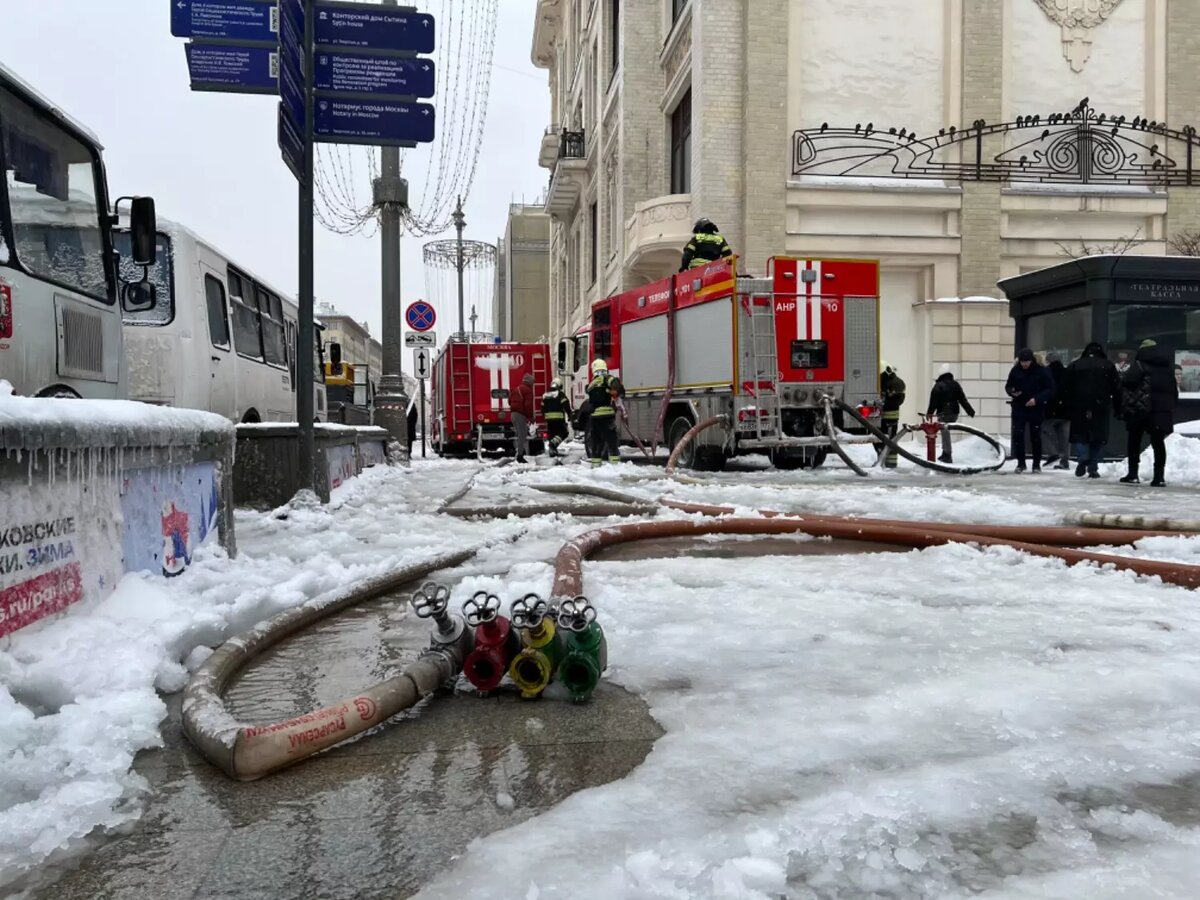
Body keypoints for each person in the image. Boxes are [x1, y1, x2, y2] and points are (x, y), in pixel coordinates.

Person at [1119, 338, 1179, 486]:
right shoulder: (1167, 367)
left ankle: (1133, 474)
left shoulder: (1139, 365)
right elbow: (1173, 391)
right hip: (1161, 411)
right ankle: (1159, 477)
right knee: (1158, 443)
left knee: (1134, 440)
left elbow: (1128, 383)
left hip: (1141, 409)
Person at [1064, 342, 1120, 479]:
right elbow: (1117, 388)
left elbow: (1065, 388)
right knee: (1097, 437)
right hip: (1101, 406)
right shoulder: (1108, 366)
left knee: (1080, 435)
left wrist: (1067, 404)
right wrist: (1117, 405)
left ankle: (1083, 456)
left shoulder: (1075, 365)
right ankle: (1093, 466)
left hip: (1079, 406)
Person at [1005, 348, 1055, 473]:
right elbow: (1008, 385)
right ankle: (1021, 463)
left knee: (1035, 436)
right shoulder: (1015, 370)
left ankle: (1036, 464)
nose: (1024, 364)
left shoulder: (1041, 371)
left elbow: (1050, 389)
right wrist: (1012, 392)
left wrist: (1037, 399)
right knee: (1018, 435)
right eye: (1022, 362)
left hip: (1036, 408)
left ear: (1031, 360)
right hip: (1019, 406)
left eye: (1027, 361)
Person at [926, 369, 975, 463]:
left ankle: (947, 454)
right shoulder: (955, 384)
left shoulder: (938, 386)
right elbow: (962, 399)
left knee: (945, 432)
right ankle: (946, 453)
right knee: (945, 430)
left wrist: (930, 413)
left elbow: (933, 402)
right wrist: (970, 411)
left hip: (943, 413)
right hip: (954, 413)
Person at [586, 358, 625, 465]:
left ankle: (596, 467)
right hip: (606, 417)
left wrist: (609, 391)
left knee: (596, 444)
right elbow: (616, 385)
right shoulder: (606, 378)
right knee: (612, 443)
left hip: (594, 419)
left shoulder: (591, 384)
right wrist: (616, 392)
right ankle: (615, 466)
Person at [1041, 352, 1070, 469]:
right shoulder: (1067, 372)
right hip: (1066, 409)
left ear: (1049, 361)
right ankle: (1065, 460)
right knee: (1065, 436)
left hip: (1051, 408)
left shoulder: (1045, 372)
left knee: (1043, 430)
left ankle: (1053, 453)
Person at [876, 361, 905, 468]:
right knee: (892, 439)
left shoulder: (886, 382)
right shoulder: (898, 383)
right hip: (894, 415)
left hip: (887, 415)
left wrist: (883, 401)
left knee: (885, 439)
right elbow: (900, 399)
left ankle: (886, 461)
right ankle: (890, 462)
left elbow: (887, 399)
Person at [542, 378, 573, 458]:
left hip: (549, 419)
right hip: (558, 418)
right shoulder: (560, 394)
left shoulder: (545, 395)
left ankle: (552, 451)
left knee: (552, 435)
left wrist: (545, 416)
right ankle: (552, 445)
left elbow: (542, 408)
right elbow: (565, 404)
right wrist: (570, 414)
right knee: (564, 433)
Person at [509, 373, 535, 463]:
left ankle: (519, 453)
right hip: (520, 414)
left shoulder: (517, 388)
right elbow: (528, 405)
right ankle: (519, 456)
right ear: (529, 382)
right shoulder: (527, 390)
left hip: (513, 414)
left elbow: (509, 401)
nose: (533, 384)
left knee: (520, 434)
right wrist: (530, 417)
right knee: (522, 435)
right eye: (532, 382)